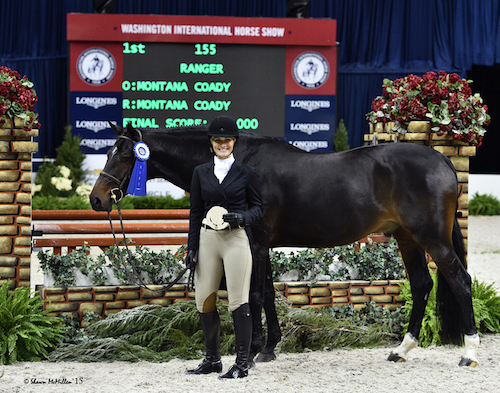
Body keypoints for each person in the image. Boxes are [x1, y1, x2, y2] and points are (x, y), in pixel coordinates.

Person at [185, 116, 263, 379]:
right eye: (218, 140)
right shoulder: (200, 173)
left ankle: (241, 364)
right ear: (211, 143)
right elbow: (195, 212)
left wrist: (243, 217)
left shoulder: (247, 173)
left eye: (227, 140)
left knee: (238, 300)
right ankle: (212, 360)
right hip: (208, 240)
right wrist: (191, 247)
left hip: (235, 239)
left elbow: (259, 209)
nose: (223, 144)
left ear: (234, 142)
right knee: (204, 299)